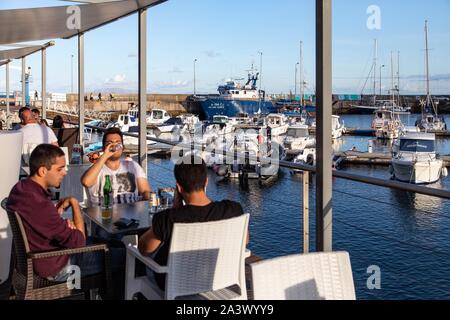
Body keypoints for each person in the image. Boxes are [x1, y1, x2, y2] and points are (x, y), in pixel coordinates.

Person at [6, 145, 124, 287]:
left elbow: (41, 223)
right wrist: (74, 203)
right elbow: (80, 243)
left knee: (117, 244)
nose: (64, 172)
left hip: (43, 256)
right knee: (126, 257)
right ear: (43, 171)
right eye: (59, 169)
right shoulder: (40, 203)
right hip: (57, 267)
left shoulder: (21, 188)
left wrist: (59, 223)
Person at [138, 155, 247, 291]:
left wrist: (176, 208)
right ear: (206, 182)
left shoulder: (168, 218)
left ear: (178, 187)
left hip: (174, 284)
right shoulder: (232, 209)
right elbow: (244, 240)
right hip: (217, 279)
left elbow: (144, 249)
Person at [81, 127, 152, 206]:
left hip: (132, 215)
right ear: (103, 148)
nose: (114, 146)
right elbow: (86, 182)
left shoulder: (133, 166)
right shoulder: (97, 168)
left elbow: (145, 191)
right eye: (109, 143)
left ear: (123, 147)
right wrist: (105, 155)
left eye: (118, 143)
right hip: (104, 214)